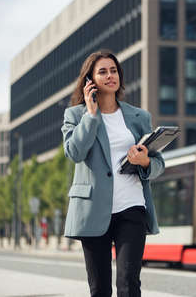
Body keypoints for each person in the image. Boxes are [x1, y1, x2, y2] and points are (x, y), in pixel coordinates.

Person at [61, 49, 165, 297]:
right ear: (90, 80)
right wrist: (91, 115)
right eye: (103, 71)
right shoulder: (75, 115)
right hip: (93, 209)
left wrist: (145, 162)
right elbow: (75, 152)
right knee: (99, 289)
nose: (110, 76)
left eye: (114, 70)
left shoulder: (139, 116)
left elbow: (158, 163)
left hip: (132, 207)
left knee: (129, 283)